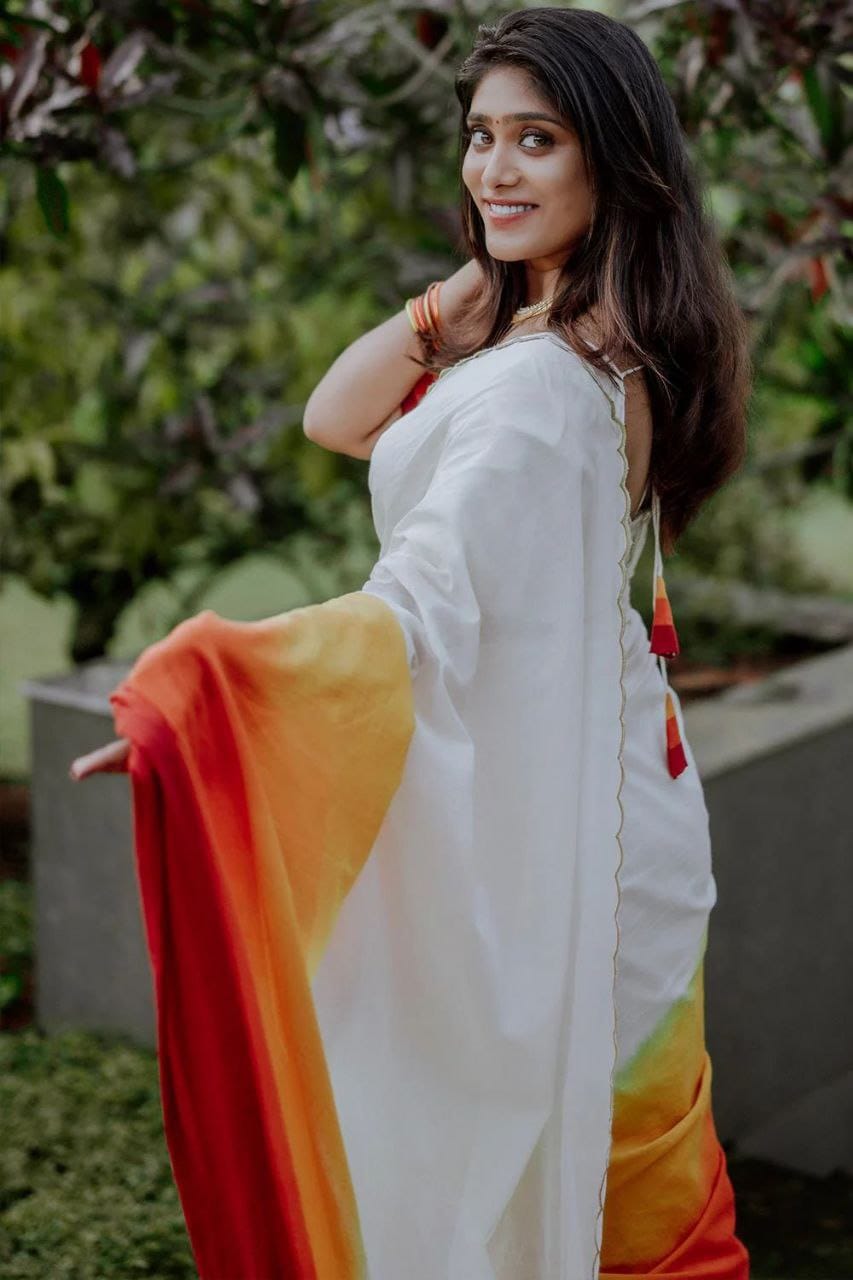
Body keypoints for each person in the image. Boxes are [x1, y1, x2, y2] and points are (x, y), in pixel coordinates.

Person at [70, 8, 752, 1278]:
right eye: (479, 137)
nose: (490, 170)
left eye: (535, 141)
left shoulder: (546, 390)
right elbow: (340, 412)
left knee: (604, 1202)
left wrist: (219, 706)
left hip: (584, 837)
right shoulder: (579, 336)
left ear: (612, 159)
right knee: (629, 1190)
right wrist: (486, 276)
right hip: (622, 806)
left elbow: (427, 599)